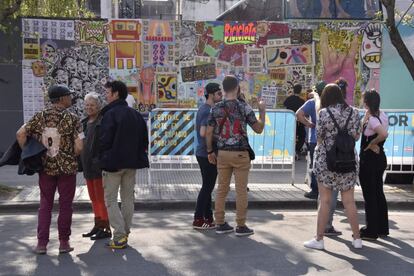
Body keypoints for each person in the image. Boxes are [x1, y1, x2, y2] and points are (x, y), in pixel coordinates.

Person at [16, 85, 83, 254]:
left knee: (45, 205)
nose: (71, 98)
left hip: (45, 167)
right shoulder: (73, 119)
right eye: (69, 96)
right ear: (61, 98)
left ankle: (41, 244)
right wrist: (70, 155)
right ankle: (63, 243)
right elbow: (79, 147)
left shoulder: (39, 116)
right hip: (67, 169)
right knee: (65, 205)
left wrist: (30, 153)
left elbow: (20, 134)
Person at [303, 84, 362, 250]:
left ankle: (319, 239)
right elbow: (356, 136)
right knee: (349, 201)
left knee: (325, 201)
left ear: (326, 97)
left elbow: (320, 137)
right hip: (349, 161)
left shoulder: (324, 113)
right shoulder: (355, 112)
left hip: (327, 161)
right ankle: (357, 239)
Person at [206, 75, 266, 237]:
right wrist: (262, 111)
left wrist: (210, 151)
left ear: (223, 89)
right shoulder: (244, 107)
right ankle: (240, 225)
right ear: (237, 87)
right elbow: (258, 129)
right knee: (241, 191)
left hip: (223, 153)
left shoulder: (215, 108)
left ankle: (219, 223)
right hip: (240, 153)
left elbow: (209, 132)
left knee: (221, 190)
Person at [100, 80, 149, 249]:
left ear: (116, 94)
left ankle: (119, 235)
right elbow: (144, 140)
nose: (105, 95)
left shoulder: (109, 114)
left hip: (113, 165)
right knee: (128, 198)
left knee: (111, 200)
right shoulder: (135, 115)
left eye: (107, 92)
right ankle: (125, 232)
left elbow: (104, 141)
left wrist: (102, 158)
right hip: (132, 164)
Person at [297, 81, 342, 236]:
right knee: (333, 190)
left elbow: (298, 114)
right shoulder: (340, 108)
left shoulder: (315, 105)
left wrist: (310, 125)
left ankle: (322, 227)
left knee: (322, 186)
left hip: (316, 143)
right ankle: (327, 225)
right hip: (335, 148)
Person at [80, 93, 111, 240]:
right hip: (87, 166)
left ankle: (105, 227)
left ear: (99, 106)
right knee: (93, 198)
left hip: (98, 167)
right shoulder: (84, 122)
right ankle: (98, 224)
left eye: (92, 105)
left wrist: (100, 161)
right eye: (87, 105)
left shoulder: (102, 121)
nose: (89, 107)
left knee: (100, 198)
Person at [359, 89, 389, 240]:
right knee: (378, 192)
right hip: (379, 158)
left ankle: (371, 230)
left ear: (367, 103)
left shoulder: (372, 119)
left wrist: (372, 143)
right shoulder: (382, 115)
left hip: (369, 159)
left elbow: (383, 134)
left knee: (370, 195)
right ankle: (382, 227)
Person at [193, 82, 223, 229]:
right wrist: (212, 149)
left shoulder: (206, 109)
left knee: (208, 187)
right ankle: (198, 218)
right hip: (206, 153)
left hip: (204, 152)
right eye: (219, 94)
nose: (221, 96)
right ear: (211, 94)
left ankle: (208, 218)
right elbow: (204, 133)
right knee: (207, 187)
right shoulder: (208, 110)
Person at [320, 31, 359, 105]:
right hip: (346, 104)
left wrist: (323, 32)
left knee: (350, 55)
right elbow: (337, 65)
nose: (337, 54)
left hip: (336, 105)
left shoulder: (329, 67)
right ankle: (356, 34)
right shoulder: (330, 68)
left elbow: (324, 47)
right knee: (351, 55)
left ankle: (356, 34)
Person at [284, 83, 306, 160]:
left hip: (290, 122)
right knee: (302, 135)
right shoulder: (302, 101)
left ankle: (290, 150)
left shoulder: (289, 99)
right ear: (300, 91)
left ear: (293, 90)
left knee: (290, 136)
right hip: (299, 122)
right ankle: (297, 150)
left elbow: (285, 106)